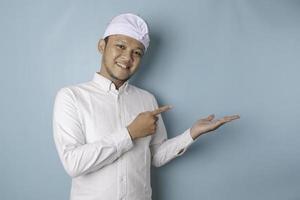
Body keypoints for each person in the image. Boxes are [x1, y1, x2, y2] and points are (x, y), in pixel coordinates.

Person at [53, 13, 240, 200]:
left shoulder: (146, 99)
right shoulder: (72, 97)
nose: (127, 57)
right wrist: (130, 133)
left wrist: (191, 134)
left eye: (137, 52)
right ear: (102, 46)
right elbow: (73, 163)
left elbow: (155, 156)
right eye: (121, 46)